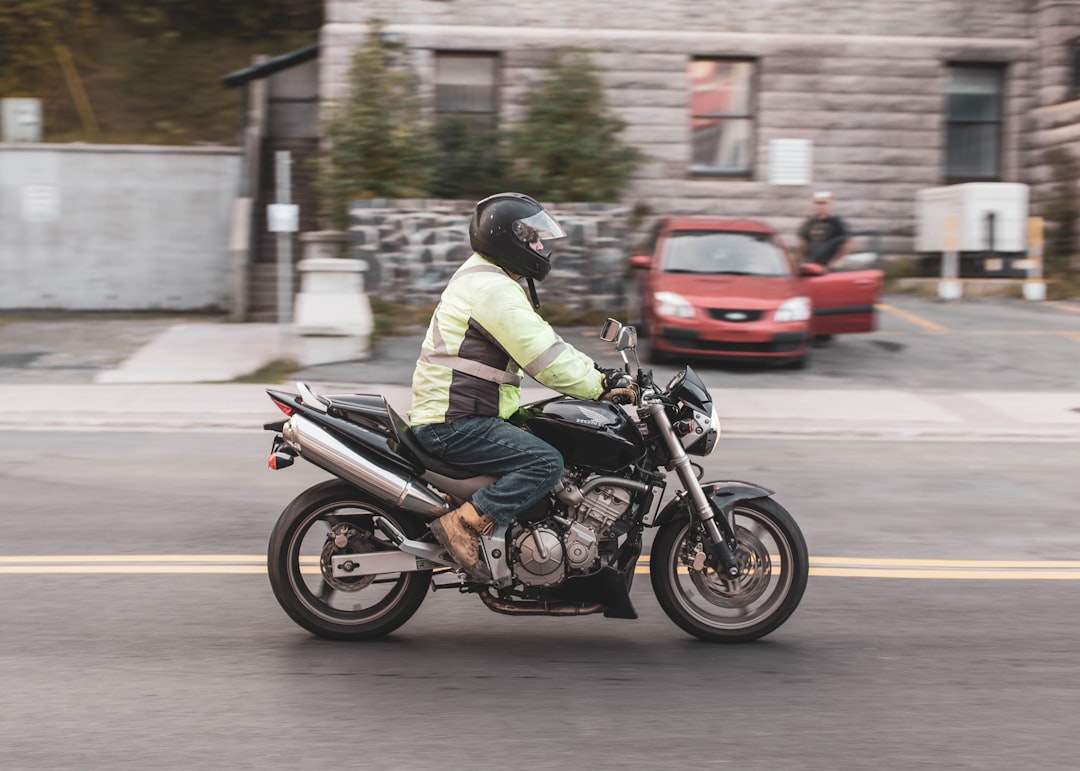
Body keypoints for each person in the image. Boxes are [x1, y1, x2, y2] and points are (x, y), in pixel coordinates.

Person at [408, 192, 638, 581]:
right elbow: (545, 359)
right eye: (532, 238)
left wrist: (599, 375)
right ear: (507, 240)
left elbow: (547, 344)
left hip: (462, 413)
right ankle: (464, 526)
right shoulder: (493, 291)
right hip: (454, 422)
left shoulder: (489, 280)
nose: (541, 246)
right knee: (545, 462)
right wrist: (601, 384)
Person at [798, 191, 851, 268]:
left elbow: (848, 243)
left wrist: (838, 259)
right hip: (812, 264)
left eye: (824, 203)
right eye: (818, 203)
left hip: (830, 266)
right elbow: (804, 242)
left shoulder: (836, 223)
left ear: (830, 205)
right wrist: (804, 259)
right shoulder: (809, 223)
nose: (821, 206)